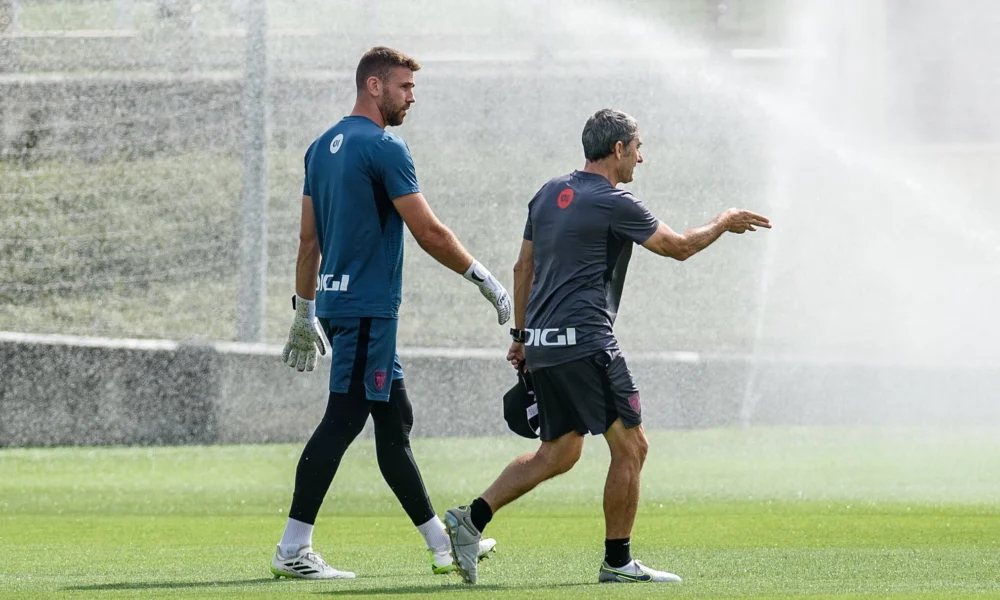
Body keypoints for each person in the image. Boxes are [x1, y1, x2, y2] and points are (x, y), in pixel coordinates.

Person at [444, 108, 771, 584]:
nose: (642, 156)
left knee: (559, 453)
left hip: (546, 343)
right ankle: (618, 563)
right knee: (632, 446)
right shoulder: (616, 201)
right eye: (638, 146)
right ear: (618, 149)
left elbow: (522, 269)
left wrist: (521, 337)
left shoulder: (547, 192)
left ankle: (470, 519)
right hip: (587, 343)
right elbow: (676, 247)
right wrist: (723, 221)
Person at [270, 46, 512, 580]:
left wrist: (304, 311)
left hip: (341, 306)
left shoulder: (319, 149)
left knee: (393, 421)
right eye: (405, 88)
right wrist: (484, 278)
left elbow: (307, 242)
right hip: (365, 310)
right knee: (344, 419)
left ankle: (443, 545)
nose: (411, 98)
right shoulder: (384, 146)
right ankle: (292, 548)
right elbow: (429, 232)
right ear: (374, 87)